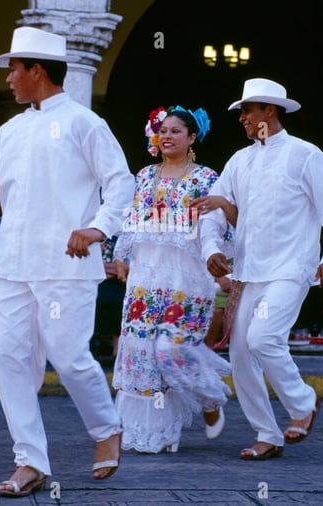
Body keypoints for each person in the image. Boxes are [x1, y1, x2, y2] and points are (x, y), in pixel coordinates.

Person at [0, 26, 134, 498]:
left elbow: (121, 183)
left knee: (70, 357)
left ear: (36, 70)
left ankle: (106, 430)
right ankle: (30, 461)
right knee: (7, 359)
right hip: (12, 262)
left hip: (66, 262)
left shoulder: (84, 122)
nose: (9, 79)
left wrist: (97, 227)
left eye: (14, 69)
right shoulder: (9, 130)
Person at [200, 78, 323, 460]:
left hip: (290, 266)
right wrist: (211, 248)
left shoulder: (305, 154)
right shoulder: (240, 159)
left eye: (247, 110)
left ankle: (303, 404)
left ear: (270, 110)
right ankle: (267, 433)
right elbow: (215, 209)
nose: (242, 118)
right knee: (239, 355)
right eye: (241, 112)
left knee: (263, 338)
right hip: (248, 271)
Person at [110, 105, 231, 453]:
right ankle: (147, 433)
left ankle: (209, 399)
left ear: (192, 138)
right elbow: (129, 219)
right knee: (141, 350)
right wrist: (121, 256)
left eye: (176, 130)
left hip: (186, 278)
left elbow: (215, 225)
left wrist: (217, 260)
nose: (167, 135)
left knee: (172, 349)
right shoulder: (144, 176)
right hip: (145, 276)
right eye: (163, 129)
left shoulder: (206, 178)